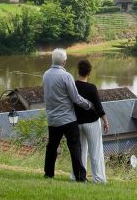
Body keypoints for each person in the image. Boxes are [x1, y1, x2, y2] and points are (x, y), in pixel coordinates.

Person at [43, 48, 93, 181]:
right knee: (75, 147)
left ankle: (48, 174)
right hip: (68, 119)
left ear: (52, 60)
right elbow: (76, 98)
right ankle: (80, 178)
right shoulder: (66, 76)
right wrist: (88, 105)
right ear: (64, 62)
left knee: (52, 147)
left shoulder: (46, 75)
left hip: (52, 119)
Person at [71, 59, 109, 183]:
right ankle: (98, 179)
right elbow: (98, 107)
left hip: (77, 123)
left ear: (78, 71)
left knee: (79, 152)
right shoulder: (91, 87)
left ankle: (77, 177)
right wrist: (105, 121)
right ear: (89, 73)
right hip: (92, 123)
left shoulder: (73, 86)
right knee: (95, 151)